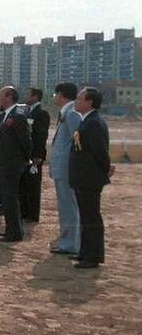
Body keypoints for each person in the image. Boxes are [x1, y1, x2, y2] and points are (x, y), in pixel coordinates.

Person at [69, 87, 113, 268]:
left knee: (91, 217)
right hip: (82, 177)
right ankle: (85, 251)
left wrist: (106, 169)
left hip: (89, 178)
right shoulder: (86, 121)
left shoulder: (94, 123)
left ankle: (93, 256)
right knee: (86, 217)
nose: (76, 101)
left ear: (89, 103)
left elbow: (100, 153)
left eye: (79, 98)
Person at [0, 86, 32, 242]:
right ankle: (11, 228)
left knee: (10, 198)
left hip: (11, 164)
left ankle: (14, 232)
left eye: (1, 95)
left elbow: (25, 140)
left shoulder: (17, 115)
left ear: (9, 97)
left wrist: (23, 159)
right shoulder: (6, 115)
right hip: (4, 163)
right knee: (8, 198)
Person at [48, 82, 81, 255]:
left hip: (67, 168)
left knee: (68, 206)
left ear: (60, 94)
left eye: (55, 94)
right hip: (63, 168)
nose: (54, 98)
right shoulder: (67, 112)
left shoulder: (71, 113)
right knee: (66, 206)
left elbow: (79, 142)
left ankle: (70, 244)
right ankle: (68, 241)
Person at [19, 87, 50, 223]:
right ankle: (24, 212)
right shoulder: (26, 112)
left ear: (35, 97)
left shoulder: (41, 113)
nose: (26, 97)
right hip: (25, 155)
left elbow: (41, 136)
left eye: (28, 94)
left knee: (33, 186)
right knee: (24, 185)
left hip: (34, 157)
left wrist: (37, 155)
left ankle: (32, 215)